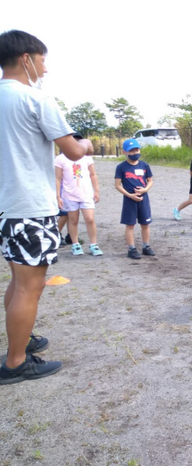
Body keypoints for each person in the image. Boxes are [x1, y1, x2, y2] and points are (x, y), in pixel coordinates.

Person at [0, 30, 93, 384]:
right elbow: (71, 151)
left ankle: (19, 340)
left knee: (19, 279)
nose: (45, 68)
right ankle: (15, 362)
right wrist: (84, 143)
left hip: (6, 205)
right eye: (42, 60)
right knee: (30, 285)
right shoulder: (35, 99)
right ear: (26, 58)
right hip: (29, 204)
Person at [55, 132, 102, 256]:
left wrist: (96, 190)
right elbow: (58, 178)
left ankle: (94, 244)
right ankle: (75, 244)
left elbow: (93, 174)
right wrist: (58, 196)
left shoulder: (87, 158)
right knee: (73, 220)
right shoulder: (60, 159)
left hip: (86, 193)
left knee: (90, 219)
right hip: (69, 194)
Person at [114, 139, 155, 259]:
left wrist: (144, 190)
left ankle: (146, 246)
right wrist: (130, 195)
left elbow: (150, 181)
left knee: (145, 223)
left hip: (143, 198)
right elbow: (117, 185)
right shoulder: (121, 167)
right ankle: (131, 249)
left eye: (136, 150)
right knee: (130, 225)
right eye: (131, 151)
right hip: (129, 199)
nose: (135, 152)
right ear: (124, 152)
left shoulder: (144, 165)